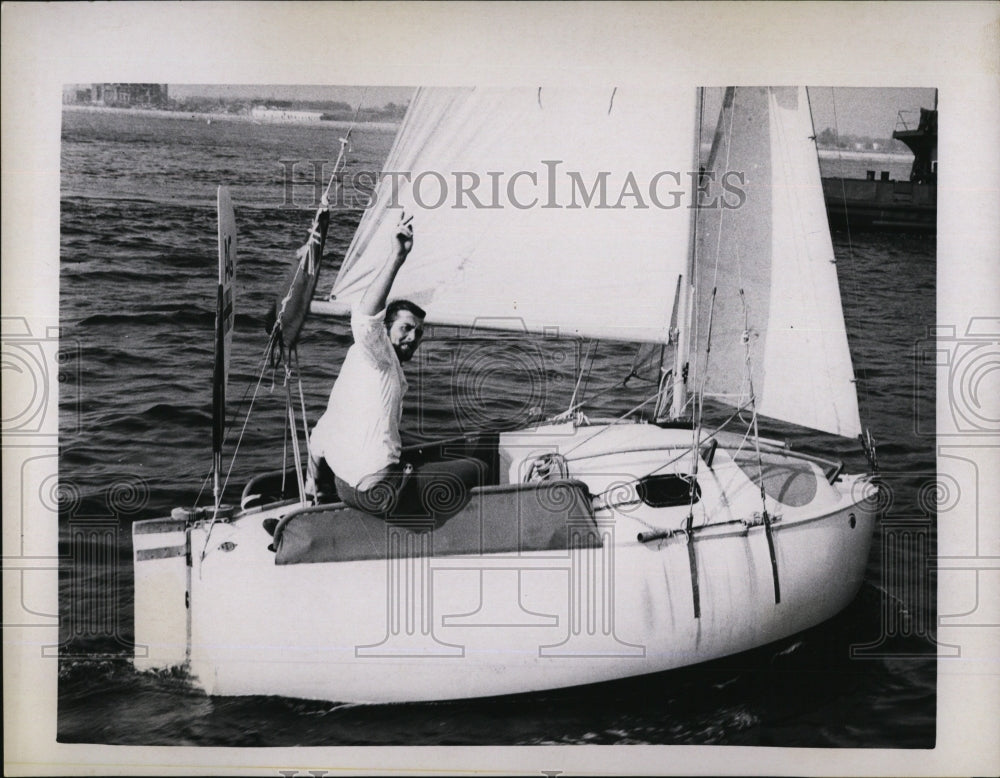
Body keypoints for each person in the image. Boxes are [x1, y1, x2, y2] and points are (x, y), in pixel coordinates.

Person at [306, 215, 484, 521]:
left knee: (420, 454)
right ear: (385, 330)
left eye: (419, 332)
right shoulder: (378, 355)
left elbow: (318, 438)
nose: (414, 337)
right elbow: (364, 319)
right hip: (380, 495)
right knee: (477, 468)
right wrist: (396, 257)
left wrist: (313, 487)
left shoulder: (357, 367)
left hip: (346, 488)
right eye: (405, 328)